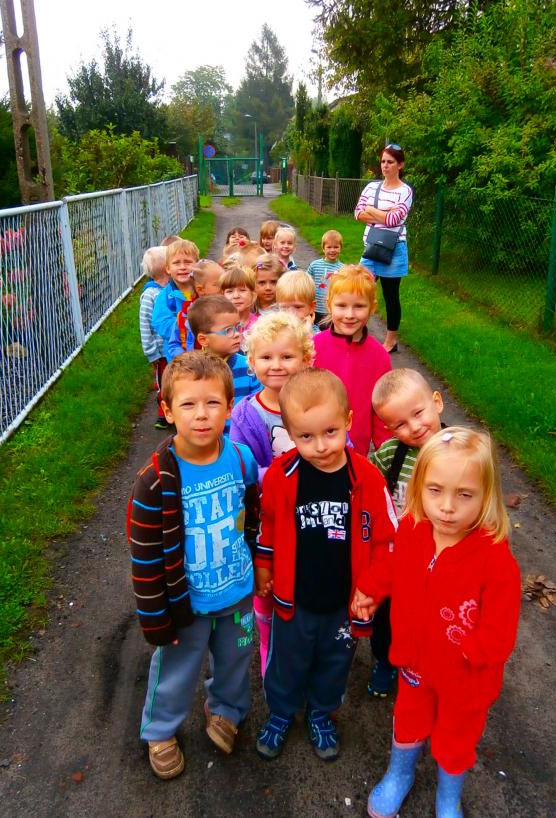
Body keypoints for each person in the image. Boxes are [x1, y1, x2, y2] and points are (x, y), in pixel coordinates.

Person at [366, 427, 521, 818]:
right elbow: (393, 566)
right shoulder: (413, 530)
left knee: (456, 736)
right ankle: (400, 774)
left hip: (465, 675)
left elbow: (501, 626)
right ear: (419, 486)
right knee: (409, 718)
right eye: (435, 490)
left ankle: (448, 796)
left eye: (464, 494)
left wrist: (473, 651)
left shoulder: (494, 558)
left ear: (487, 496)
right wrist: (371, 588)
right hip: (414, 661)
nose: (447, 507)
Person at [127, 351, 260, 779]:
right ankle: (160, 730)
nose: (201, 415)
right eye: (188, 404)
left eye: (212, 403)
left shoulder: (241, 459)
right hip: (185, 604)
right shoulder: (155, 480)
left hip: (236, 591)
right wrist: (155, 618)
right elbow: (145, 557)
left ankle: (225, 710)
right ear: (167, 411)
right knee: (175, 670)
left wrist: (259, 564)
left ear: (230, 407)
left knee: (235, 660)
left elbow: (253, 518)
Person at [254, 368, 397, 761]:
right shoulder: (282, 477)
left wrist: (372, 586)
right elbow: (268, 525)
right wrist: (264, 565)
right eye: (306, 436)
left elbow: (387, 541)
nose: (320, 446)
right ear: (289, 432)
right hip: (294, 598)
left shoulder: (368, 479)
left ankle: (321, 713)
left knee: (335, 662)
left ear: (348, 420)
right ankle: (281, 712)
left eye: (330, 432)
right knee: (286, 661)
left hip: (343, 602)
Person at [230, 312, 315, 676]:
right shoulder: (246, 414)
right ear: (251, 362)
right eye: (266, 357)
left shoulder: (316, 403)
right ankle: (268, 643)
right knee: (265, 586)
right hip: (268, 518)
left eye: (287, 356)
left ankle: (305, 645)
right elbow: (243, 466)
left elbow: (339, 446)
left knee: (305, 580)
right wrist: (287, 476)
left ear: (305, 359)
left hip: (310, 514)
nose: (276, 365)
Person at [366, 368, 445, 698]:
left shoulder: (459, 451)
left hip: (440, 558)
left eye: (418, 413)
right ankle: (386, 660)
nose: (413, 427)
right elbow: (366, 483)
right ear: (388, 428)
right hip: (397, 557)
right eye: (399, 424)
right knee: (387, 615)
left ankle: (426, 663)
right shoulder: (391, 453)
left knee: (431, 615)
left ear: (436, 402)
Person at [313, 265, 391, 456]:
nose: (349, 315)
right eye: (341, 306)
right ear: (329, 305)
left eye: (359, 306)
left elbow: (383, 411)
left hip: (356, 453)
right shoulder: (313, 348)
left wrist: (386, 454)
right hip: (314, 447)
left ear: (372, 307)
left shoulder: (379, 356)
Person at [355, 144, 413, 353]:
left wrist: (371, 210)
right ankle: (357, 333)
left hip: (394, 249)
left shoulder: (405, 191)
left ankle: (390, 341)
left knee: (390, 296)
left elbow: (393, 220)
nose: (385, 166)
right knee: (359, 291)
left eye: (390, 162)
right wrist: (383, 213)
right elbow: (358, 213)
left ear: (400, 165)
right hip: (371, 248)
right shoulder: (371, 188)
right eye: (383, 161)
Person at [187, 295, 262, 418]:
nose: (237, 334)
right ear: (203, 339)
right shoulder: (192, 371)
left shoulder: (249, 365)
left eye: (237, 327)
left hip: (244, 429)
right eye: (228, 330)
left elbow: (259, 406)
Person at [165, 259, 222, 360]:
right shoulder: (185, 315)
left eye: (224, 282)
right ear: (200, 289)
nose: (224, 287)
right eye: (218, 284)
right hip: (193, 366)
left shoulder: (226, 311)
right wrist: (187, 358)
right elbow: (174, 344)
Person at [138, 245, 169, 429]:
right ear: (167, 268)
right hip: (160, 351)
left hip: (174, 347)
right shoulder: (150, 295)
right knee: (164, 381)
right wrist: (151, 352)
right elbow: (145, 325)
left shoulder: (172, 289)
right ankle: (162, 413)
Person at [151, 239, 198, 343]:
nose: (182, 267)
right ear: (168, 269)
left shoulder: (204, 290)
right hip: (178, 348)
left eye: (188, 262)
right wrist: (188, 327)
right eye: (176, 263)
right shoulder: (165, 296)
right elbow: (161, 322)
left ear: (197, 265)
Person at [306, 229, 344, 325]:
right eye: (329, 247)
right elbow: (306, 283)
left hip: (332, 311)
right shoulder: (315, 265)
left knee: (330, 332)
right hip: (315, 308)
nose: (332, 250)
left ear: (341, 248)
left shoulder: (343, 269)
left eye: (336, 247)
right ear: (323, 248)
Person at [219, 265, 258, 334]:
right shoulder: (217, 325)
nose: (236, 296)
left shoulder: (259, 325)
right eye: (230, 291)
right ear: (222, 296)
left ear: (253, 296)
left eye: (242, 290)